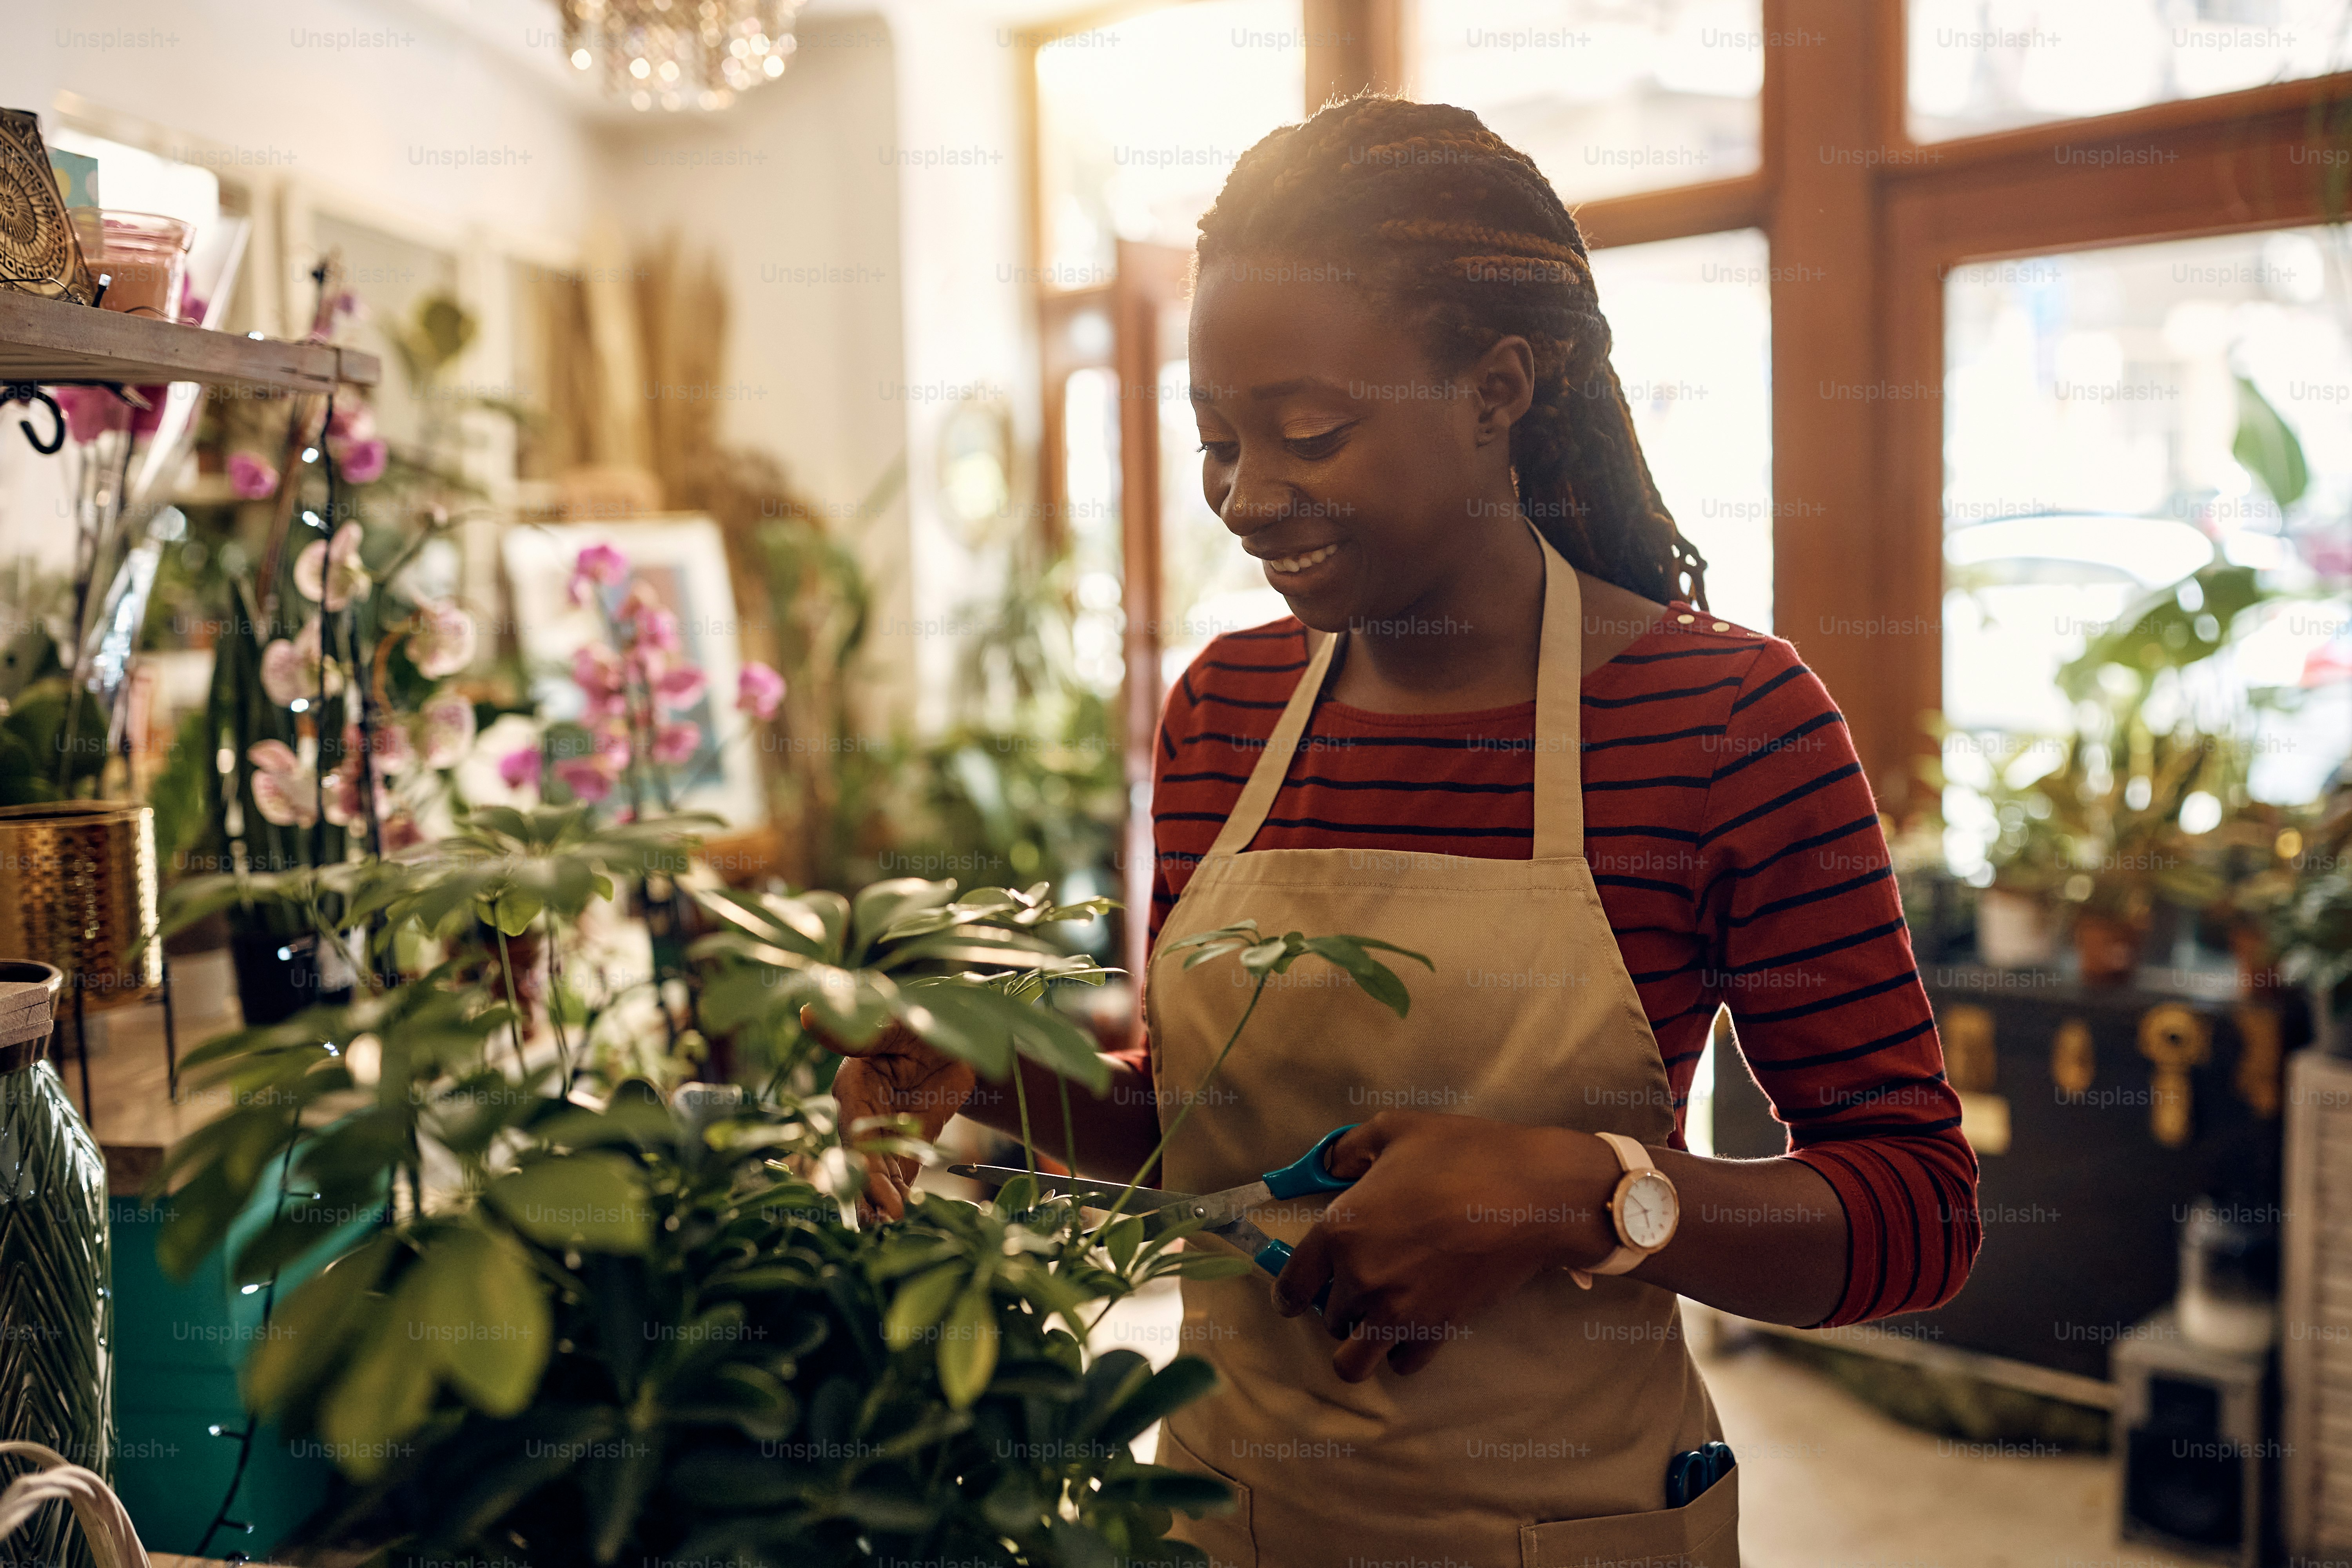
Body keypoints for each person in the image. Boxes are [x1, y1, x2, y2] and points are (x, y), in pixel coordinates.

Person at [831, 95, 1979, 1568]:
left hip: (1565, 1525)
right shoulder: (1225, 712)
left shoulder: (1729, 721)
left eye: (1311, 432)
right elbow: (1204, 1122)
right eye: (1217, 440)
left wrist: (1581, 1196)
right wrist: (1003, 1068)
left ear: (1500, 387)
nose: (1249, 498)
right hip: (1217, 1518)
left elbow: (1918, 1215)